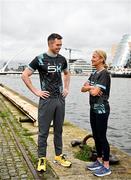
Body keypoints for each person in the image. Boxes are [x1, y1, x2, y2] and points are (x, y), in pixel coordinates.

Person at [21, 33, 72, 172]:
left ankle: (59, 156)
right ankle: (41, 159)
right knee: (43, 131)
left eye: (61, 45)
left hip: (60, 100)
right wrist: (36, 91)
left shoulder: (62, 59)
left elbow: (67, 74)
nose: (60, 47)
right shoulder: (40, 59)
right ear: (50, 44)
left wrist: (66, 88)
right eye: (57, 45)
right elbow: (24, 75)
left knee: (59, 130)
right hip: (46, 100)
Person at [81, 50, 111, 177]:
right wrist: (91, 87)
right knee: (95, 135)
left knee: (102, 136)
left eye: (94, 57)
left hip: (102, 109)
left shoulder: (104, 74)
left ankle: (106, 165)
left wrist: (91, 88)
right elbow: (83, 88)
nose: (91, 59)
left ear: (101, 59)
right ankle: (98, 160)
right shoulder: (94, 73)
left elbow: (94, 93)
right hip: (93, 108)